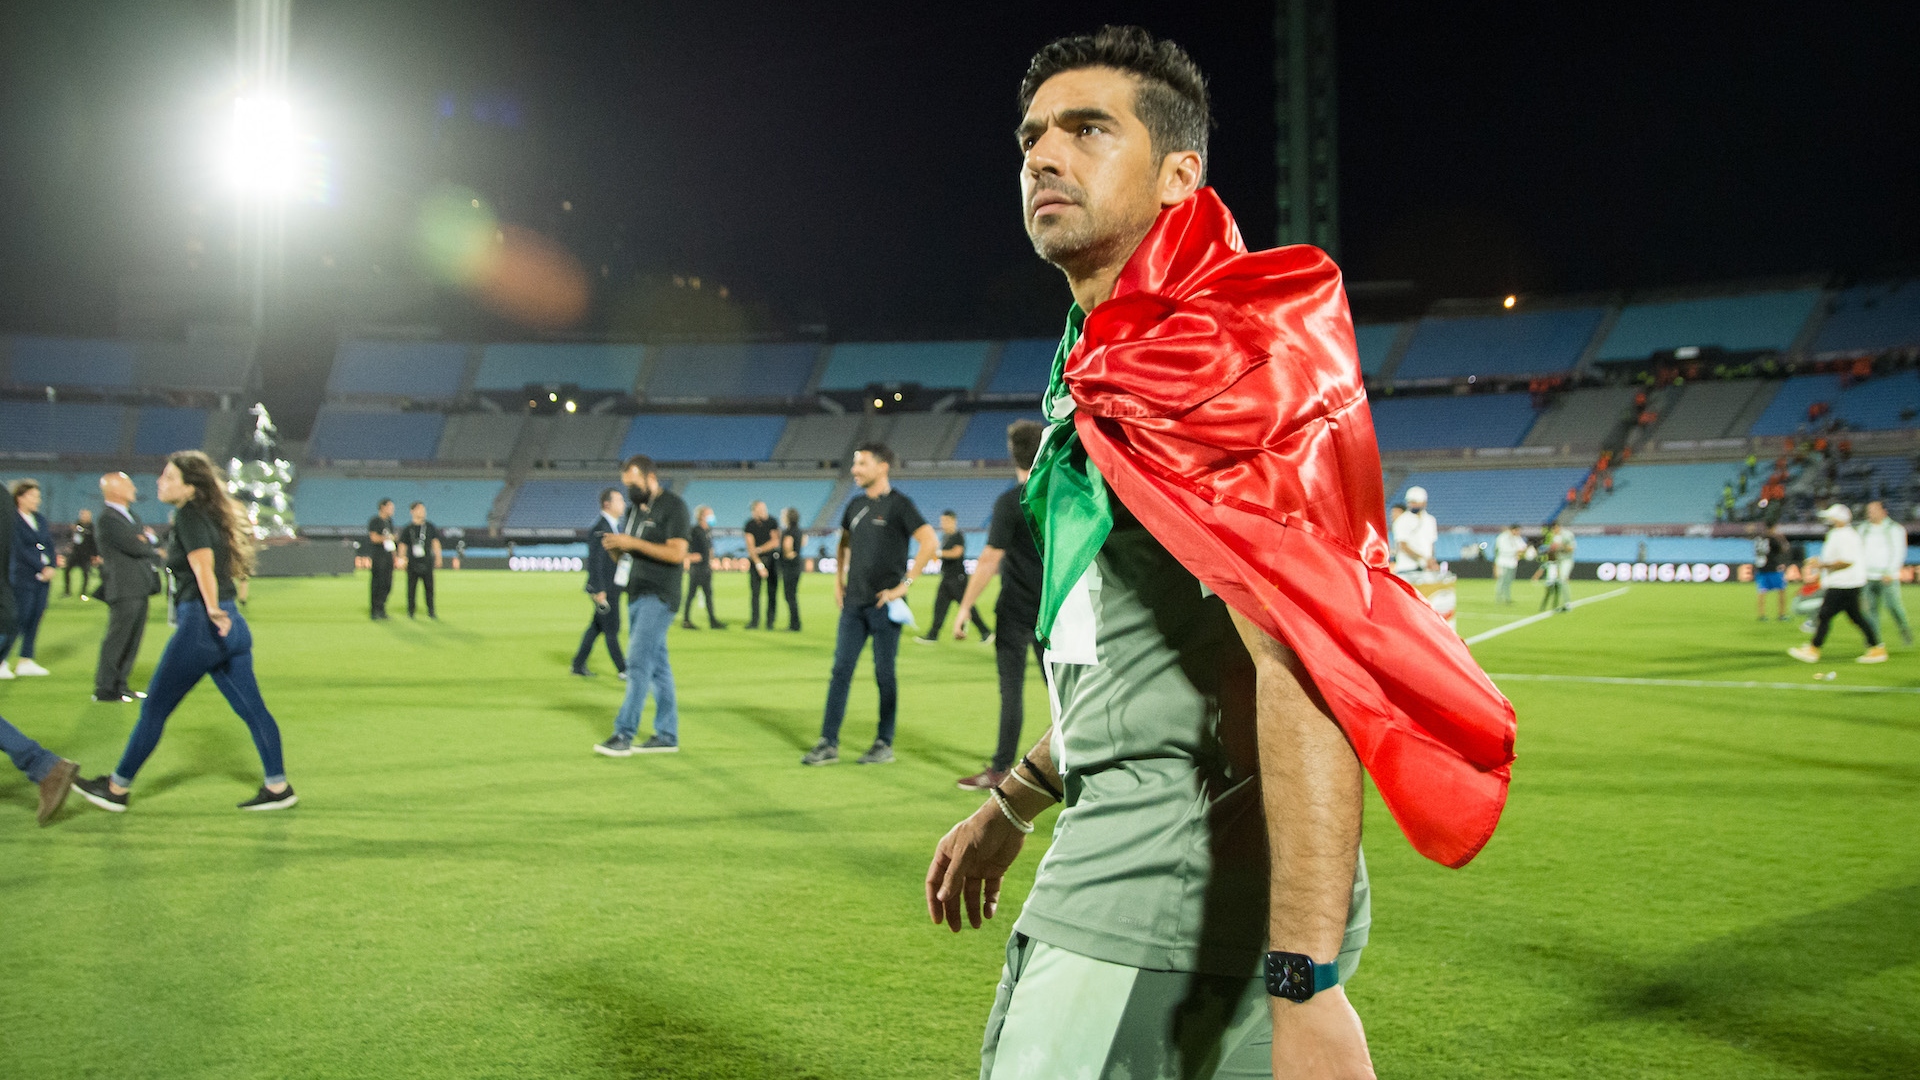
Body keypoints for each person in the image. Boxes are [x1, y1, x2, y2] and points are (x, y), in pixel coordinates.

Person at [925, 30, 1515, 1079]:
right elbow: (1148, 671)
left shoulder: (1215, 358)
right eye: (1031, 136)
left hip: (1162, 889)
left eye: (1087, 129)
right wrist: (1011, 801)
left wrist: (1306, 980)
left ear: (1178, 174)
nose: (1043, 155)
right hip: (1141, 865)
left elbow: (1307, 660)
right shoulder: (1102, 365)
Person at [73, 451, 299, 812]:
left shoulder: (190, 515)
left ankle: (116, 790)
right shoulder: (208, 514)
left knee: (155, 711)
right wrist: (221, 613)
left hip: (203, 625)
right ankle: (278, 787)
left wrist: (211, 611)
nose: (160, 482)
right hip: (232, 624)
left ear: (190, 486)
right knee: (255, 710)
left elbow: (203, 566)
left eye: (168, 477)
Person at [800, 443, 937, 766]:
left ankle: (883, 742)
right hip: (853, 604)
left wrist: (904, 586)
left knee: (884, 674)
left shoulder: (901, 505)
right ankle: (827, 742)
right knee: (840, 671)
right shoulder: (855, 505)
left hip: (883, 605)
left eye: (861, 463)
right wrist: (838, 582)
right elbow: (844, 543)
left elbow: (930, 542)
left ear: (882, 466)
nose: (855, 469)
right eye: (854, 463)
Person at [950, 420, 1046, 792]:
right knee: (1063, 692)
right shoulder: (1060, 496)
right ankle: (1082, 762)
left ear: (1012, 454)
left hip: (1014, 611)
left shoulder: (1011, 501)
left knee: (1012, 690)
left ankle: (1001, 768)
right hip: (1055, 612)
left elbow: (990, 558)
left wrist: (963, 609)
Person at [593, 455, 690, 756]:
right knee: (659, 669)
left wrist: (633, 544)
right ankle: (667, 735)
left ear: (650, 477)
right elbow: (628, 557)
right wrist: (616, 548)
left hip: (659, 595)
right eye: (626, 487)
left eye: (634, 485)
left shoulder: (674, 507)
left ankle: (624, 733)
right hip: (635, 594)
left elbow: (676, 554)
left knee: (636, 663)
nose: (630, 492)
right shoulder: (634, 511)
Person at [92, 472, 164, 703]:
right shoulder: (107, 518)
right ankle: (105, 688)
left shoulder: (129, 515)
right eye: (129, 484)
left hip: (139, 585)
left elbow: (143, 541)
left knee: (133, 639)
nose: (134, 488)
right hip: (124, 587)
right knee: (118, 637)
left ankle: (121, 685)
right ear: (115, 490)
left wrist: (145, 542)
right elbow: (135, 546)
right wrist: (145, 543)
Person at [1789, 503, 1887, 664]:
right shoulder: (1842, 534)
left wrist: (1822, 565)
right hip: (1847, 582)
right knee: (1856, 617)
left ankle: (1813, 649)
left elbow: (1846, 561)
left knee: (1824, 615)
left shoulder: (1844, 536)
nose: (1828, 520)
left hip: (1844, 583)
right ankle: (1877, 648)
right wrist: (1821, 562)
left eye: (1831, 517)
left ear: (1839, 519)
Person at [2, 480, 57, 678]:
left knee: (35, 616)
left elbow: (49, 544)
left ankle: (26, 659)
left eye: (38, 496)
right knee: (17, 618)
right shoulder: (11, 519)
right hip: (21, 576)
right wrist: (41, 566)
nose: (37, 500)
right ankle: (3, 660)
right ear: (20, 497)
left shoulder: (40, 519)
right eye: (33, 496)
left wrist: (52, 566)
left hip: (42, 578)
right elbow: (18, 549)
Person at [573, 487, 629, 678]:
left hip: (612, 587)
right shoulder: (600, 529)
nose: (623, 504)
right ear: (607, 504)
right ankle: (623, 669)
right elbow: (595, 562)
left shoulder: (613, 527)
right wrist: (599, 589)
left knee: (596, 627)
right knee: (612, 628)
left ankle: (578, 665)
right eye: (619, 500)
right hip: (605, 589)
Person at [917, 511, 993, 644]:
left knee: (968, 607)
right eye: (942, 521)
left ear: (953, 521)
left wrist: (939, 553)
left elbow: (957, 553)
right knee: (939, 607)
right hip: (947, 578)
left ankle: (985, 632)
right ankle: (933, 635)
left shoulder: (958, 535)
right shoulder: (945, 536)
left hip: (957, 579)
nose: (943, 524)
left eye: (945, 521)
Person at [1860, 500, 1912, 646]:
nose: (1870, 513)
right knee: (1870, 610)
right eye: (1869, 510)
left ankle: (1904, 629)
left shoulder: (1894, 529)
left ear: (1884, 511)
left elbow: (1899, 551)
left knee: (1894, 606)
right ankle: (1874, 641)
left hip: (1887, 576)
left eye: (1873, 510)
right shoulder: (1863, 528)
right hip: (1868, 576)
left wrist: (1891, 571)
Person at [681, 504, 725, 629]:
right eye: (709, 514)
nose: (712, 516)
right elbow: (687, 547)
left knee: (708, 594)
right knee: (691, 594)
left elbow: (709, 549)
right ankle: (686, 620)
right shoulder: (695, 531)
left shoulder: (707, 531)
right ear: (702, 516)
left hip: (706, 568)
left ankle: (712, 620)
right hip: (697, 568)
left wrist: (710, 559)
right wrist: (689, 556)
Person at [396, 502, 441, 619]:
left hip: (427, 561)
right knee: (411, 588)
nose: (423, 512)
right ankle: (411, 611)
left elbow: (435, 542)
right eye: (420, 509)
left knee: (429, 588)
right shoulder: (408, 528)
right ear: (413, 511)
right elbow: (402, 545)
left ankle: (431, 611)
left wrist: (438, 557)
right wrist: (401, 559)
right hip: (412, 562)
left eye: (423, 510)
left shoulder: (430, 527)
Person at [743, 500, 781, 629]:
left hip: (772, 561)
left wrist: (759, 550)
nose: (763, 511)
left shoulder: (772, 522)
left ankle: (770, 622)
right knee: (755, 593)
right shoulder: (749, 525)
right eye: (760, 509)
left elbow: (775, 541)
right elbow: (750, 547)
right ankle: (754, 621)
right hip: (756, 562)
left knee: (772, 592)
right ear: (754, 510)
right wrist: (759, 565)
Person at [1392, 485, 1438, 575]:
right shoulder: (1402, 520)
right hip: (1407, 568)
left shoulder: (1430, 520)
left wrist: (1431, 561)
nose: (1412, 505)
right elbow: (1403, 545)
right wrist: (1423, 559)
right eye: (1410, 502)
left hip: (1425, 569)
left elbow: (1431, 544)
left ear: (1424, 502)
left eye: (1415, 502)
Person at [1752, 523, 1792, 622]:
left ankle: (1762, 615)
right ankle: (1782, 615)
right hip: (1773, 568)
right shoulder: (1773, 539)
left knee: (1761, 591)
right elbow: (1783, 549)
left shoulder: (1758, 539)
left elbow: (1755, 552)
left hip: (1760, 568)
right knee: (1781, 590)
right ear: (1772, 528)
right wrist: (1781, 539)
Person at [366, 498, 397, 619]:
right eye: (390, 507)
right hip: (378, 556)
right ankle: (374, 610)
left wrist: (394, 556)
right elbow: (373, 538)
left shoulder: (389, 521)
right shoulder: (375, 521)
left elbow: (392, 542)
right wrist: (388, 538)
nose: (392, 509)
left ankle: (382, 608)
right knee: (377, 583)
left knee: (387, 583)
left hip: (388, 556)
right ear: (383, 507)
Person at [778, 506, 805, 631]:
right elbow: (804, 542)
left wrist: (785, 554)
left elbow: (787, 547)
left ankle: (794, 624)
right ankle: (795, 623)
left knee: (789, 596)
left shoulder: (788, 531)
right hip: (797, 566)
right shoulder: (798, 530)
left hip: (790, 567)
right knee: (792, 595)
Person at [63, 508, 98, 599]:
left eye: (86, 515)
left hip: (86, 554)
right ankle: (67, 591)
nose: (84, 517)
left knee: (86, 573)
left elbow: (94, 542)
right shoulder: (77, 524)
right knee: (67, 570)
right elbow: (69, 537)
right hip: (75, 553)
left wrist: (94, 555)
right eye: (83, 515)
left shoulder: (92, 527)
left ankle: (83, 592)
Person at [1492, 524, 1526, 605]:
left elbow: (1523, 546)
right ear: (1513, 530)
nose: (1518, 533)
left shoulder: (1517, 537)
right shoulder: (1502, 537)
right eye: (1517, 531)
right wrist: (1516, 551)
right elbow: (1503, 550)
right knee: (1502, 580)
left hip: (1512, 563)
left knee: (1509, 581)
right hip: (1503, 562)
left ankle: (1507, 597)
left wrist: (1519, 551)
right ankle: (1499, 597)